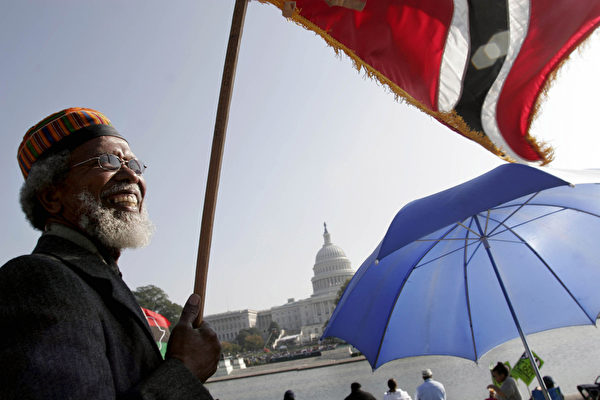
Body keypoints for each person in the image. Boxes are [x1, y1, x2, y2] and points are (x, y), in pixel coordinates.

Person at [0, 107, 222, 399]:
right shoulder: (37, 281)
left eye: (134, 164)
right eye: (108, 161)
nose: (131, 175)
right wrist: (184, 371)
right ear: (52, 196)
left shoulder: (100, 281)